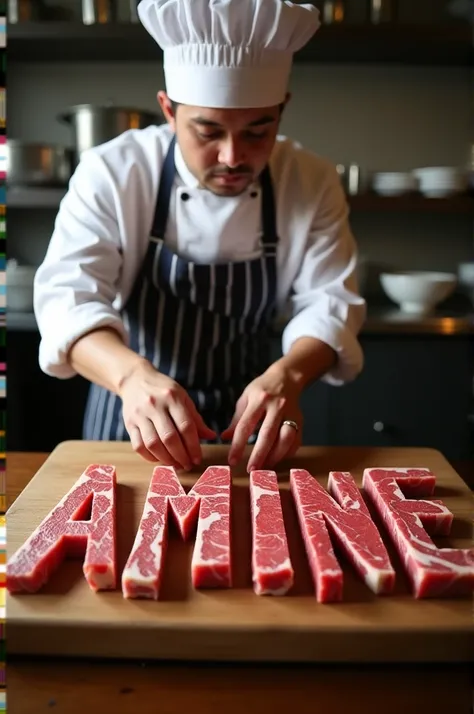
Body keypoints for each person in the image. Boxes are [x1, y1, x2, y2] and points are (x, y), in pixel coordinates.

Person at [33, 0, 366, 473]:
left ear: (282, 108)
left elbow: (330, 301)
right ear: (168, 110)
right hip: (130, 424)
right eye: (208, 131)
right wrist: (130, 376)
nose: (233, 157)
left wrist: (289, 377)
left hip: (250, 428)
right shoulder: (114, 171)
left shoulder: (309, 180)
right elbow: (69, 298)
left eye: (258, 131)